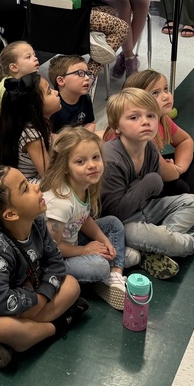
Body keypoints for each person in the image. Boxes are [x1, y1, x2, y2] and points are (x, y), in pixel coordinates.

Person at [0, 166, 86, 370]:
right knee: (5, 326)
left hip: (23, 288)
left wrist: (41, 297)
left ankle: (20, 338)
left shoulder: (37, 222)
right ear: (11, 214)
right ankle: (56, 326)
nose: (36, 187)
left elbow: (55, 262)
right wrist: (40, 300)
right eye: (26, 188)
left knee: (73, 285)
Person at [100, 88, 194, 280]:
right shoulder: (112, 159)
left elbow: (153, 195)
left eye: (151, 115)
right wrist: (150, 181)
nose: (145, 121)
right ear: (117, 127)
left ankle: (152, 249)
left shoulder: (150, 148)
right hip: (119, 224)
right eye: (134, 117)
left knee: (193, 202)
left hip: (144, 210)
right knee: (165, 238)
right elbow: (114, 213)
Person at [41, 127, 132, 310]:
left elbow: (83, 219)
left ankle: (115, 273)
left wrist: (103, 240)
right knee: (99, 266)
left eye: (95, 157)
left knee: (113, 223)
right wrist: (85, 250)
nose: (91, 165)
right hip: (51, 260)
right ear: (65, 167)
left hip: (71, 243)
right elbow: (52, 248)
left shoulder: (84, 186)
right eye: (80, 161)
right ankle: (105, 270)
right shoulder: (61, 203)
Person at [124, 70, 194, 197]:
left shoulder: (162, 119)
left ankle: (192, 198)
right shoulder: (140, 130)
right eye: (155, 93)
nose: (166, 96)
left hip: (153, 170)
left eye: (166, 89)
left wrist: (179, 168)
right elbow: (162, 173)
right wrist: (172, 170)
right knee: (179, 186)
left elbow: (185, 141)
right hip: (133, 184)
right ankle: (191, 198)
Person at [0, 73, 59, 182]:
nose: (56, 93)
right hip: (26, 185)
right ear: (35, 106)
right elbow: (49, 176)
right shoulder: (33, 136)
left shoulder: (38, 123)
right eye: (49, 92)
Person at [0, 41, 39, 142]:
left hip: (6, 123)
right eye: (28, 57)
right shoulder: (9, 87)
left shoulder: (25, 80)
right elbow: (15, 117)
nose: (35, 58)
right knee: (28, 137)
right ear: (14, 67)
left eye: (34, 55)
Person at [47, 54, 96, 133]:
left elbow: (90, 122)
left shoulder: (85, 98)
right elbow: (49, 135)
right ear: (61, 81)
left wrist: (84, 137)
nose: (87, 78)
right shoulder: (53, 105)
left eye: (87, 73)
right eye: (80, 73)